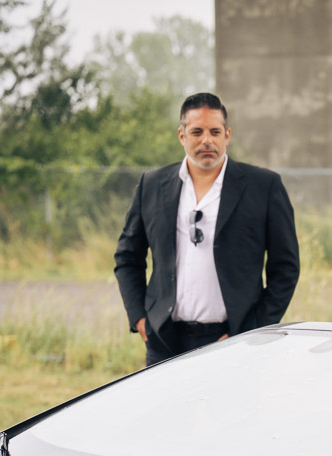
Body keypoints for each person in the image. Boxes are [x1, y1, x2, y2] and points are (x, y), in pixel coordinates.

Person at [114, 92, 300, 366]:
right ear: (182, 136)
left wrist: (251, 330)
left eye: (215, 131)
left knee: (235, 411)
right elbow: (127, 257)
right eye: (197, 132)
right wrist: (141, 319)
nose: (207, 140)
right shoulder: (152, 185)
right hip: (165, 341)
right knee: (167, 411)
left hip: (235, 340)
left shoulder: (264, 187)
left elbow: (285, 268)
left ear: (227, 135)